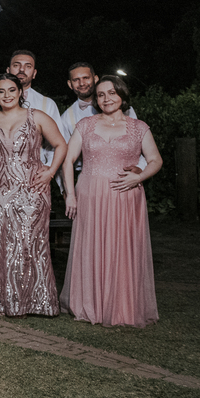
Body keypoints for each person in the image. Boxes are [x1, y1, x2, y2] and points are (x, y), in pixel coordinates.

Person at [61, 76, 163, 328]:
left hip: (125, 195)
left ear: (122, 95)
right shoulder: (85, 125)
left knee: (122, 249)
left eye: (112, 93)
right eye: (101, 94)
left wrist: (138, 177)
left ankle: (121, 306)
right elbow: (68, 160)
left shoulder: (139, 127)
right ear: (96, 100)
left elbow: (155, 160)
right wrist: (70, 194)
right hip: (90, 194)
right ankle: (91, 303)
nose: (106, 99)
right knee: (92, 247)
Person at [0, 73, 68, 317]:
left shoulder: (37, 117)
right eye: (1, 91)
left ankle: (31, 302)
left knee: (28, 243)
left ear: (20, 92)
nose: (7, 95)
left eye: (11, 90)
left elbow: (61, 145)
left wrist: (50, 172)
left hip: (32, 189)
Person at [58, 62, 145, 172]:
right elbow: (65, 158)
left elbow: (141, 145)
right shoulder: (66, 118)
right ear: (70, 84)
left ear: (95, 79)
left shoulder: (123, 108)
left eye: (86, 78)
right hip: (90, 176)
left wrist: (140, 168)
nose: (82, 83)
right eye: (76, 80)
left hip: (127, 174)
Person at [0, 50, 62, 167]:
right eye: (16, 65)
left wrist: (49, 168)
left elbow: (57, 144)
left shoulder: (47, 104)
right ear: (8, 70)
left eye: (28, 66)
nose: (22, 70)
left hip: (36, 172)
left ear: (34, 73)